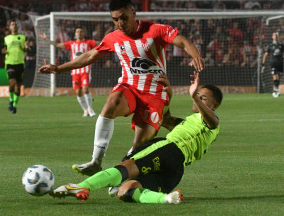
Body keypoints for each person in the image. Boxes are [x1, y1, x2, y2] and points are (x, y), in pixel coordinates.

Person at [38, 0, 205, 176]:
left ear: (133, 12)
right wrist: (58, 68)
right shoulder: (113, 38)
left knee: (139, 147)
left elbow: (183, 41)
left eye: (123, 17)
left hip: (155, 93)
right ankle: (96, 161)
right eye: (115, 19)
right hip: (129, 87)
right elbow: (89, 56)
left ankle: (125, 171)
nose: (120, 23)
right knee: (112, 103)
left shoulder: (155, 30)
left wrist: (195, 55)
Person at [49, 72, 223, 204]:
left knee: (128, 166)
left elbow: (213, 121)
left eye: (203, 98)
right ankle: (166, 199)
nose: (198, 99)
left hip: (169, 148)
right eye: (198, 96)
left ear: (214, 106)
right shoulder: (190, 123)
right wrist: (167, 95)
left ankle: (83, 186)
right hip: (176, 168)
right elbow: (166, 119)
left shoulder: (210, 122)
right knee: (124, 191)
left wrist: (194, 96)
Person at [38, 27, 97, 117]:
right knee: (78, 92)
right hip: (75, 71)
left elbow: (99, 44)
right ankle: (85, 110)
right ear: (75, 33)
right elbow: (58, 45)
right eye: (77, 31)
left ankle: (90, 108)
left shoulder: (88, 42)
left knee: (85, 89)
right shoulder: (71, 44)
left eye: (81, 31)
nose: (79, 33)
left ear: (83, 33)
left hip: (85, 70)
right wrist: (46, 39)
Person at [2, 20, 29, 114]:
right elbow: (3, 49)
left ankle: (14, 105)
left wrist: (27, 48)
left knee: (18, 87)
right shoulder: (6, 38)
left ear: (18, 27)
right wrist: (4, 51)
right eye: (12, 24)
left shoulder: (23, 37)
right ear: (9, 27)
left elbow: (27, 49)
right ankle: (10, 100)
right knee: (12, 82)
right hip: (10, 62)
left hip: (20, 63)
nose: (14, 26)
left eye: (15, 24)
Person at [261, 32, 283, 98]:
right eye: (274, 35)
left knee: (278, 77)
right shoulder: (270, 45)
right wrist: (263, 63)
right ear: (272, 37)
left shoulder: (281, 45)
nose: (275, 36)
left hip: (280, 63)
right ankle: (276, 90)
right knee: (274, 75)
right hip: (273, 63)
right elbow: (265, 55)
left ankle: (277, 89)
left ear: (278, 37)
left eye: (276, 35)